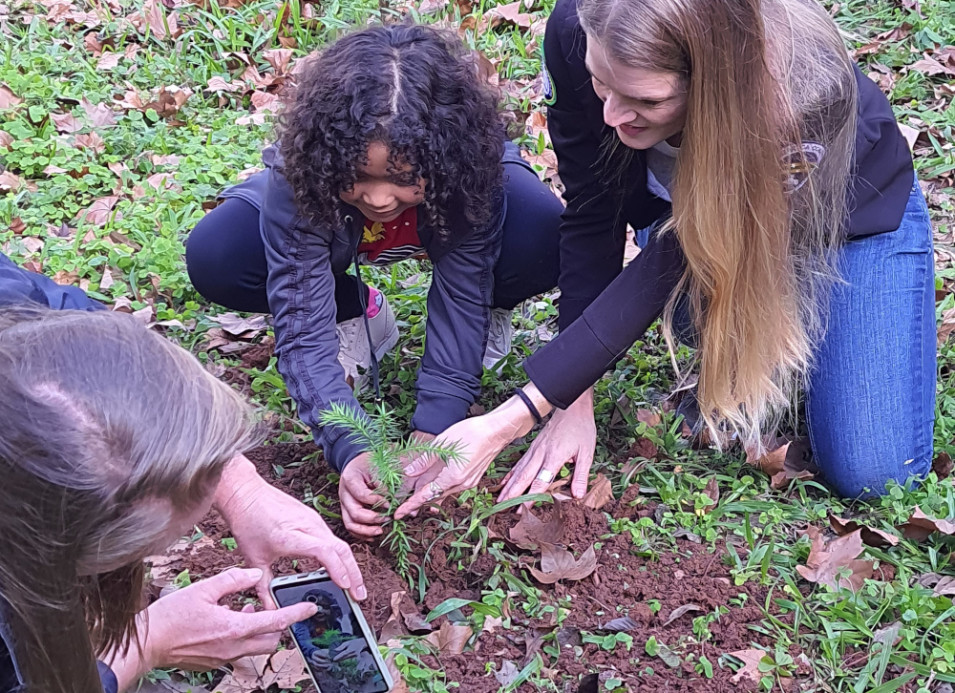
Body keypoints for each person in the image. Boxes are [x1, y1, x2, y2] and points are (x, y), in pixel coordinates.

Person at [395, 0, 935, 515]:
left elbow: (677, 256)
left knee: (872, 472)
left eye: (646, 102)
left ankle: (818, 308)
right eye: (601, 84)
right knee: (728, 355)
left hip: (850, 220)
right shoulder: (582, 23)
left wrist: (514, 414)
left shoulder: (799, 92)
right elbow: (592, 211)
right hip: (688, 221)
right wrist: (571, 397)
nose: (610, 116)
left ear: (712, 83)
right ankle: (781, 321)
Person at [185, 24, 563, 537]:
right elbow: (299, 326)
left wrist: (435, 433)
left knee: (542, 228)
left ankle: (494, 316)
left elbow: (460, 294)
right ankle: (354, 310)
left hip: (467, 237)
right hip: (325, 240)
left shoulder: (470, 172)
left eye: (404, 180)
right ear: (326, 156)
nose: (380, 198)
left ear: (443, 160)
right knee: (216, 255)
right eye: (358, 177)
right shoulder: (301, 179)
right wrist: (352, 445)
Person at [0, 270, 365, 693]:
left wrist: (235, 484)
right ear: (45, 557)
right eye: (150, 548)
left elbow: (99, 353)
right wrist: (147, 643)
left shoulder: (18, 307)